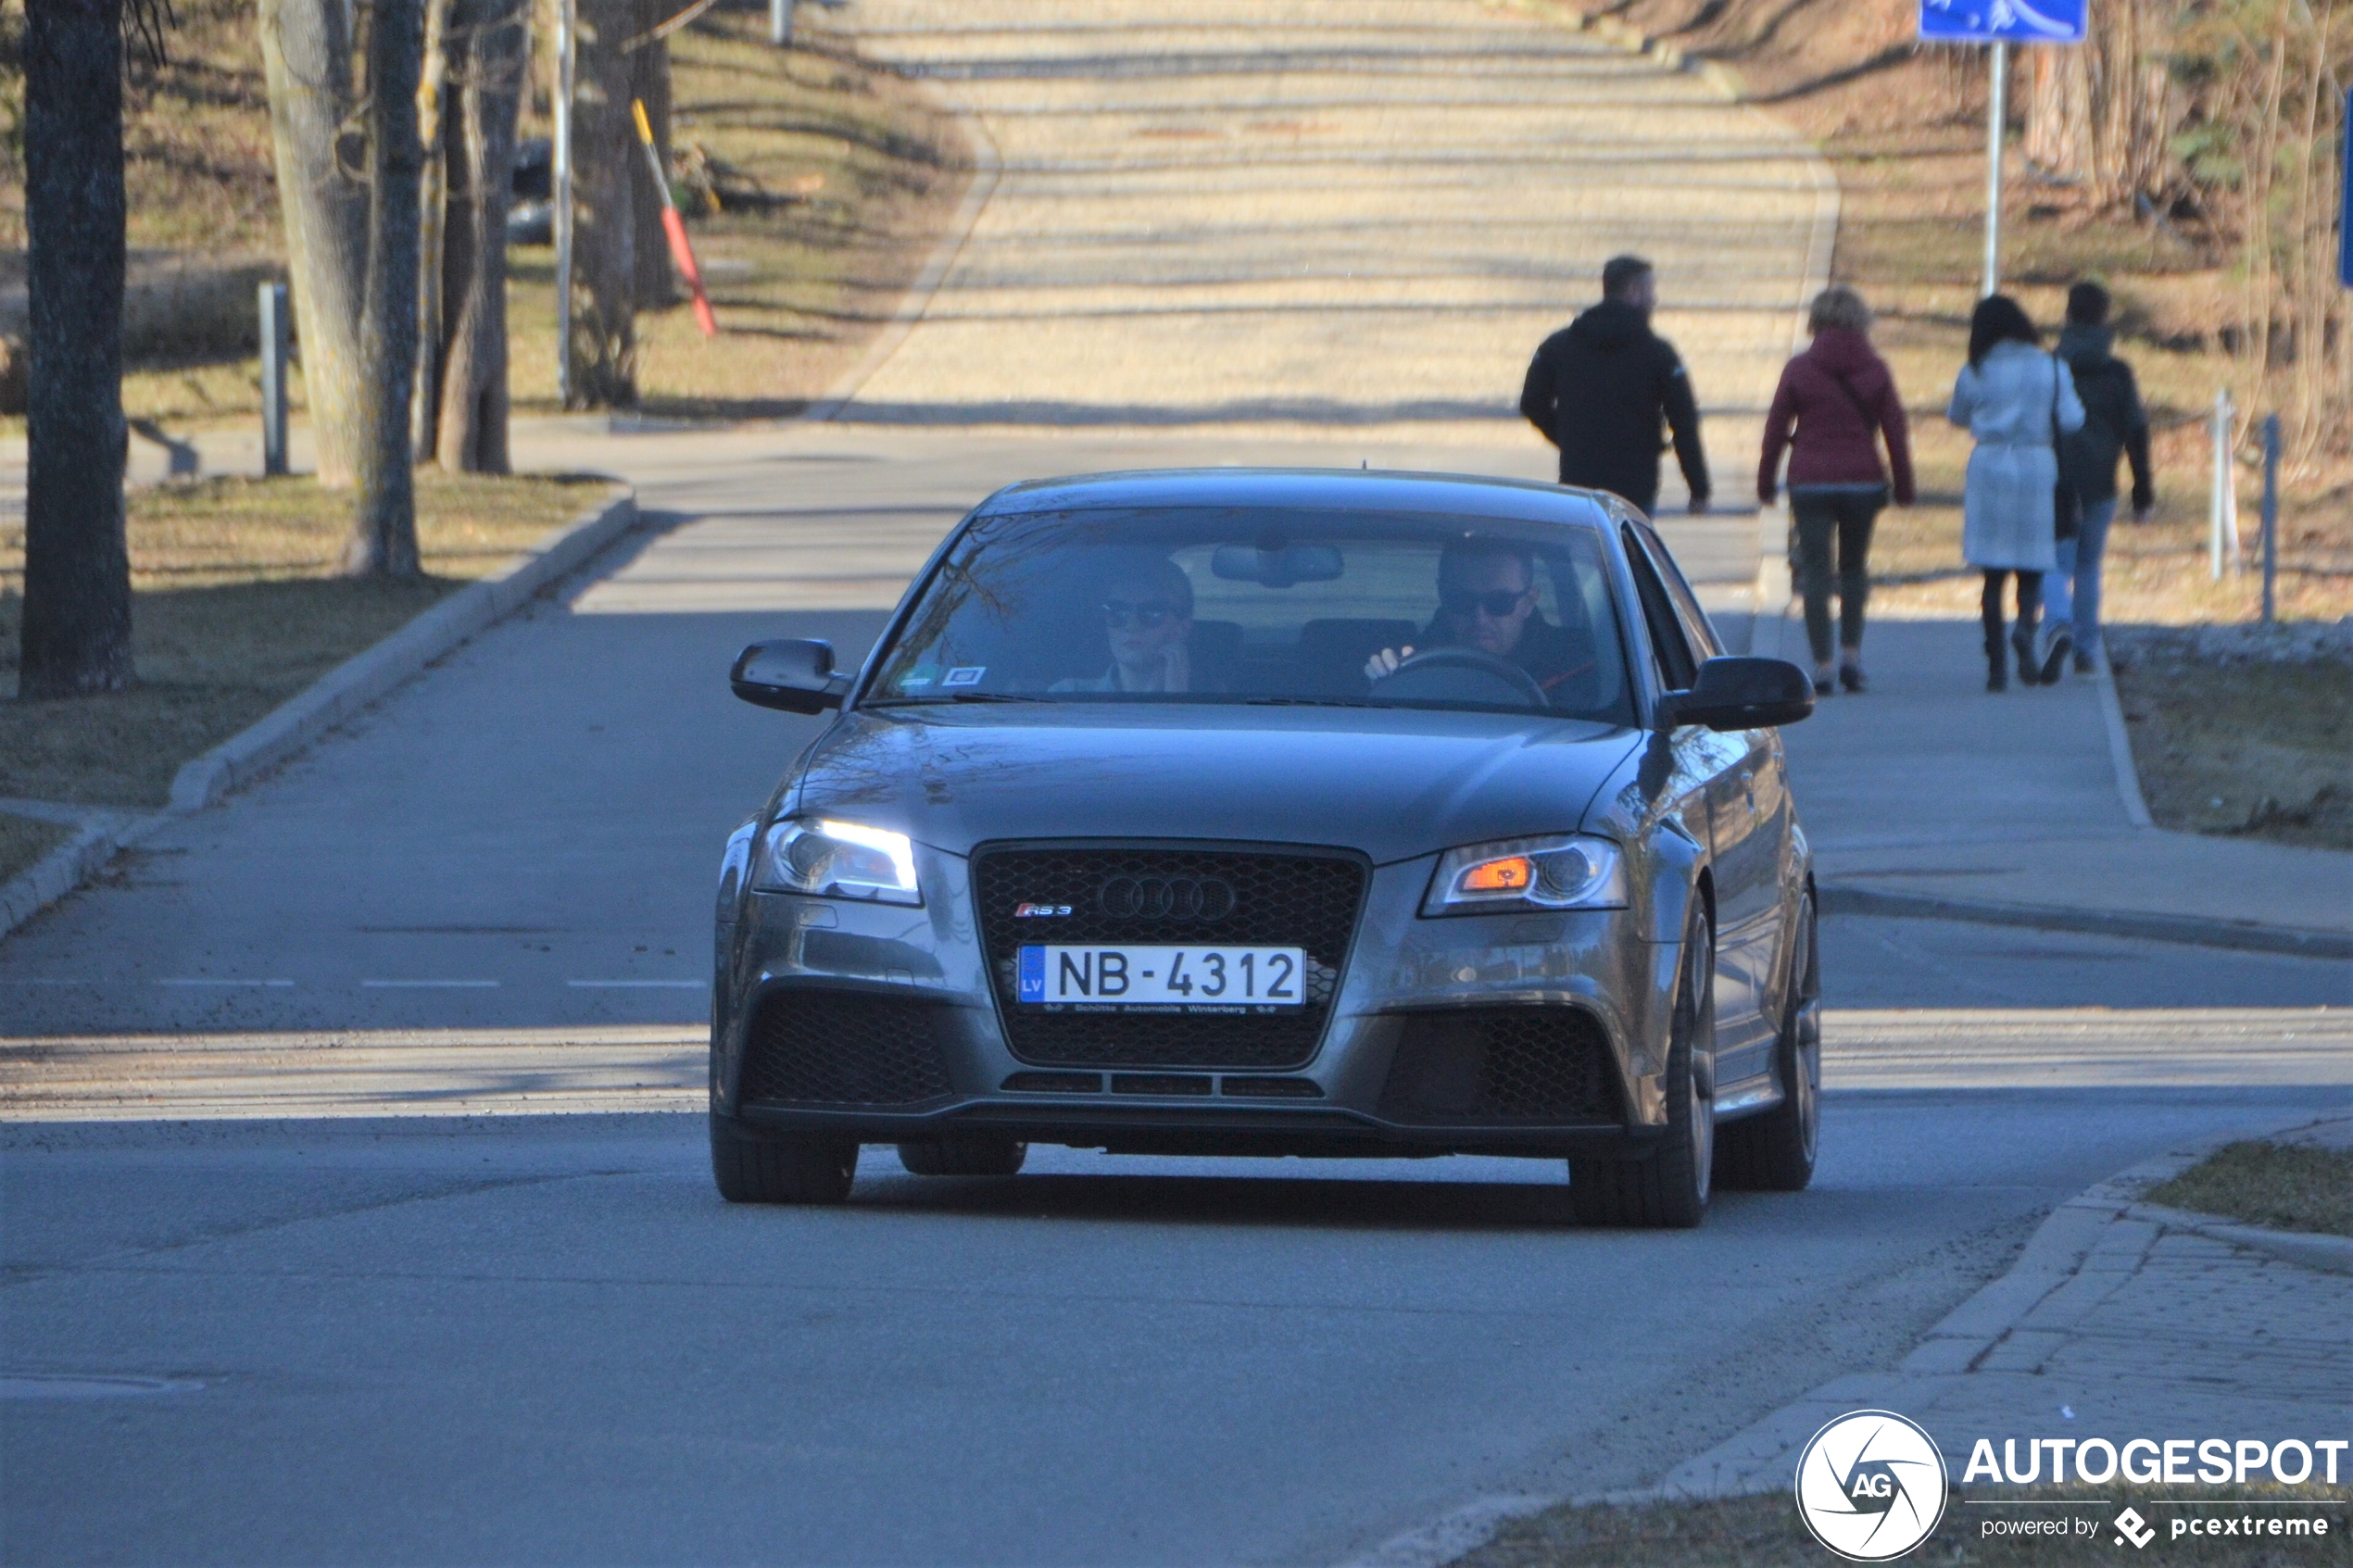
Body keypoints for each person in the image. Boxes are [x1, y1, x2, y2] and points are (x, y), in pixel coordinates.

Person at [1757, 285, 1915, 696]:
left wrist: (1765, 481)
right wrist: (1904, 485)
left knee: (1814, 571)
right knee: (1854, 567)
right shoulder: (1876, 369)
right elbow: (1895, 431)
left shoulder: (1798, 369)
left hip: (1810, 481)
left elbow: (1776, 430)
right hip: (1863, 481)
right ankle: (1851, 657)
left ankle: (1822, 665)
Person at [1948, 295, 2082, 692]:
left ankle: (1996, 666)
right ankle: (2025, 627)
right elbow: (2073, 419)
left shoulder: (1976, 369)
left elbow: (1957, 415)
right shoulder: (2050, 367)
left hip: (1989, 466)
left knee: (1992, 571)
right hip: (2037, 465)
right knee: (2031, 563)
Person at [1519, 255, 1711, 517]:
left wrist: (1569, 437)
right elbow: (1684, 421)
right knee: (1629, 553)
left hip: (1579, 480)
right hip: (1636, 486)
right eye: (1650, 291)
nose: (1654, 300)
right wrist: (1698, 488)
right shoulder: (1658, 354)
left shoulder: (1559, 346)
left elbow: (1532, 402)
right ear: (1633, 292)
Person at [2047, 281, 2155, 677]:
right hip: (2102, 481)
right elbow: (2137, 431)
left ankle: (2056, 625)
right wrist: (2142, 488)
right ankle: (2085, 648)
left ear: (2068, 316)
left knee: (2058, 561)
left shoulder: (2052, 365)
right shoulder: (2118, 373)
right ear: (2104, 319)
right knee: (2089, 566)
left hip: (2056, 479)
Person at [1363, 538, 1592, 697]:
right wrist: (1386, 683)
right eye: (1462, 600)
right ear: (1443, 595)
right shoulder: (1408, 666)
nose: (1480, 618)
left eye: (1499, 602)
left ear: (1529, 602)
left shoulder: (1582, 671)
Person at [1052, 555, 1196, 693]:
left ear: (1182, 626)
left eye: (1152, 612)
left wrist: (1178, 698)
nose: (1131, 626)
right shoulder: (1068, 695)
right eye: (1117, 611)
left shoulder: (1213, 704)